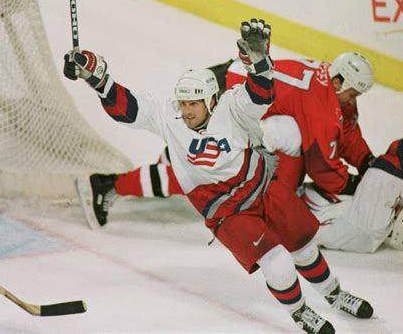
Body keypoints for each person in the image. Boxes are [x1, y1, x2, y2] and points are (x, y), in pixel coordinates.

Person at [65, 19, 374, 333]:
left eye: (195, 104)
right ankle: (300, 312)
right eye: (184, 103)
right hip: (227, 212)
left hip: (263, 188)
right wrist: (97, 79)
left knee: (305, 247)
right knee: (277, 262)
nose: (187, 111)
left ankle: (335, 294)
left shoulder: (231, 106)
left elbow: (262, 95)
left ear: (212, 100)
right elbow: (128, 107)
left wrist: (259, 63)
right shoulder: (168, 116)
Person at [78, 53, 403, 254]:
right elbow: (324, 167)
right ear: (341, 81)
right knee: (204, 172)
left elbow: (346, 135)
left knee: (267, 163)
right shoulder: (324, 105)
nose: (353, 101)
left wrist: (367, 164)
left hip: (233, 95)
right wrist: (361, 181)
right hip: (222, 101)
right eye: (353, 94)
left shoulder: (331, 89)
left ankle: (162, 164)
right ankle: (110, 184)